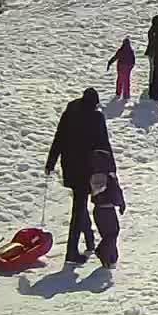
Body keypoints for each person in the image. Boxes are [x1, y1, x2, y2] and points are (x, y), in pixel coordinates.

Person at [44, 88, 112, 265]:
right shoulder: (96, 117)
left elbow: (59, 136)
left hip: (69, 166)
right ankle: (71, 252)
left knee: (80, 204)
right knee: (79, 209)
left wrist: (51, 162)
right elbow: (104, 144)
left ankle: (89, 241)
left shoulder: (71, 111)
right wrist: (111, 169)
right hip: (87, 168)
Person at [87, 147, 126, 269]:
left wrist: (120, 203)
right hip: (105, 210)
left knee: (110, 234)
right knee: (112, 233)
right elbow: (111, 192)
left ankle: (110, 259)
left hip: (103, 209)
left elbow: (114, 191)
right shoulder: (103, 176)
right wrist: (120, 202)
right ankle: (102, 252)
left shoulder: (101, 175)